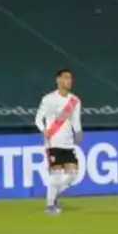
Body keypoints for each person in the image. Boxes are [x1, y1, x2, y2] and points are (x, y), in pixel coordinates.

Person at [34, 69, 83, 215]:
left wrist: (79, 133)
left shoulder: (75, 101)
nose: (69, 81)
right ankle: (50, 206)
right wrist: (44, 130)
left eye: (70, 78)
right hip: (53, 141)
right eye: (66, 78)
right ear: (58, 80)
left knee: (73, 174)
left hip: (68, 142)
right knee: (56, 175)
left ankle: (54, 194)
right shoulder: (48, 99)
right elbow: (38, 119)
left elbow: (76, 121)